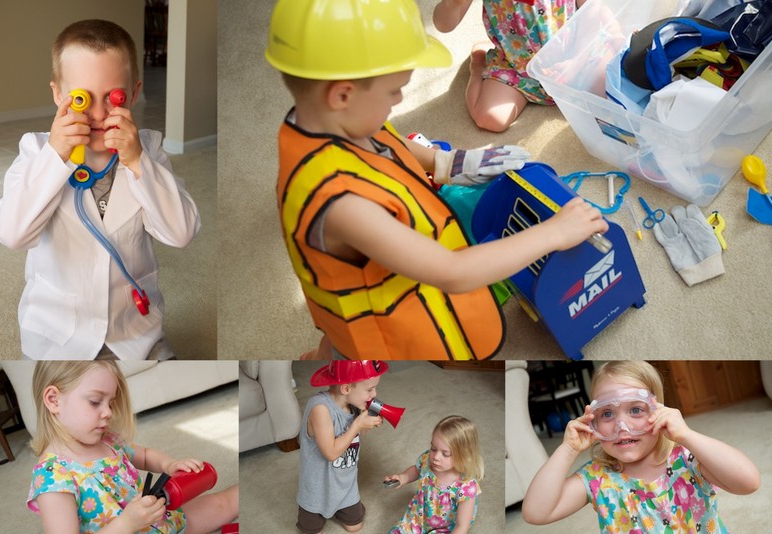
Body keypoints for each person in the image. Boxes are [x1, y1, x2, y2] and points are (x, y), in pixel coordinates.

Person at [266, 0, 607, 360]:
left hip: (371, 275)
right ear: (343, 95)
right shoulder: (343, 205)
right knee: (352, 351)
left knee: (338, 337)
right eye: (394, 91)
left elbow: (384, 142)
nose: (399, 99)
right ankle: (328, 356)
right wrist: (554, 233)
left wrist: (447, 162)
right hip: (383, 326)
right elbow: (453, 272)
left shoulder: (330, 120)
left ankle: (326, 351)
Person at [0, 19, 200, 359]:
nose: (99, 114)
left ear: (134, 93)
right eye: (81, 99)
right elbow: (12, 234)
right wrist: (56, 157)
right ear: (58, 94)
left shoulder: (148, 151)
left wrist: (138, 162)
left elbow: (181, 233)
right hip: (57, 335)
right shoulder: (36, 152)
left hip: (133, 329)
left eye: (114, 97)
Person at [521, 361, 761, 532]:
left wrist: (687, 435)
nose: (621, 426)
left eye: (635, 409)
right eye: (607, 413)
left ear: (659, 412)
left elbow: (748, 482)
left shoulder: (687, 459)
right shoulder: (597, 478)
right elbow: (536, 513)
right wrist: (568, 449)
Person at [27, 361, 238, 533]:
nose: (108, 412)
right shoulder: (52, 477)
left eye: (110, 403)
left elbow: (144, 455)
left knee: (222, 503)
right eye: (95, 401)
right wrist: (127, 524)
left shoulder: (107, 441)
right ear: (54, 400)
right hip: (133, 525)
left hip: (160, 523)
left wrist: (170, 465)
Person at [432, 0, 588, 132]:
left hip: (573, 53)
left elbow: (593, 10)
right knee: (489, 118)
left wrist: (577, 60)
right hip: (515, 64)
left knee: (601, 88)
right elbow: (443, 25)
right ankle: (479, 66)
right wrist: (453, 4)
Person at [297, 360, 388, 534]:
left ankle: (342, 506)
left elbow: (353, 441)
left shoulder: (354, 406)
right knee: (311, 531)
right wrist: (357, 426)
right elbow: (331, 453)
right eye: (369, 389)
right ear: (346, 389)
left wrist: (365, 423)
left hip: (345, 488)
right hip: (317, 491)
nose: (374, 394)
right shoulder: (320, 409)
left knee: (355, 527)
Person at [386, 415, 483, 533]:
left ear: (463, 455)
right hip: (419, 515)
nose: (436, 457)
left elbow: (461, 526)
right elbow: (416, 470)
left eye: (445, 454)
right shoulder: (427, 460)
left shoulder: (467, 486)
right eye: (433, 448)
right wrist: (403, 478)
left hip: (446, 528)